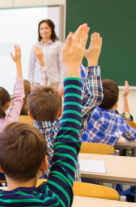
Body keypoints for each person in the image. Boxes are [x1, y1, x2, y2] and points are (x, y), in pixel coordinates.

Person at [0, 24, 93, 207]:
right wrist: (73, 68)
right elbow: (67, 139)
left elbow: (68, 137)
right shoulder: (56, 204)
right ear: (46, 164)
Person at [28, 32, 103, 181]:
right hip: (70, 199)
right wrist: (92, 60)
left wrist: (42, 63)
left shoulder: (23, 138)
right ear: (60, 112)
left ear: (29, 114)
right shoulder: (68, 129)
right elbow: (93, 97)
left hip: (36, 201)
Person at [82, 79, 136, 146]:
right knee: (128, 117)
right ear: (117, 102)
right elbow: (134, 136)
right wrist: (125, 97)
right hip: (104, 155)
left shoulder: (87, 113)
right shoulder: (119, 122)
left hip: (81, 154)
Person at [28, 19, 64, 90]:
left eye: (46, 28)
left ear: (52, 29)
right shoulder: (35, 46)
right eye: (41, 29)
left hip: (53, 82)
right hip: (37, 82)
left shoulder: (59, 45)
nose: (44, 31)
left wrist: (61, 85)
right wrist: (30, 84)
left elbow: (62, 66)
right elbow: (31, 67)